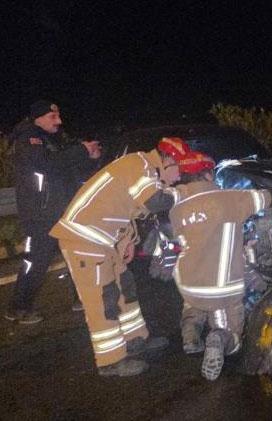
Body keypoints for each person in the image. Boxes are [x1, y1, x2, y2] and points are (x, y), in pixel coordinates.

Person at [50, 137, 191, 377]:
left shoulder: (144, 170)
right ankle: (110, 360)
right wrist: (182, 193)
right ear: (169, 161)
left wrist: (129, 241)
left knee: (125, 288)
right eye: (180, 170)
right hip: (85, 239)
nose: (179, 177)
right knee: (102, 299)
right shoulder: (141, 164)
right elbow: (154, 202)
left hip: (106, 240)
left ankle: (136, 339)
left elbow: (127, 208)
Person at [168, 151, 270, 380]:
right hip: (222, 289)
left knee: (194, 303)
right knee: (231, 332)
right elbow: (266, 197)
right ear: (208, 174)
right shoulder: (230, 199)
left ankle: (190, 336)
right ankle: (220, 339)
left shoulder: (176, 209)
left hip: (188, 284)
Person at [4, 100, 101, 324]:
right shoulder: (29, 139)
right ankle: (18, 307)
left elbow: (67, 170)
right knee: (36, 261)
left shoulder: (53, 140)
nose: (59, 121)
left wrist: (90, 158)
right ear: (38, 118)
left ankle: (82, 298)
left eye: (58, 116)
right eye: (53, 117)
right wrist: (81, 150)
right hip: (40, 216)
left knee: (76, 255)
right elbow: (47, 164)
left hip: (61, 211)